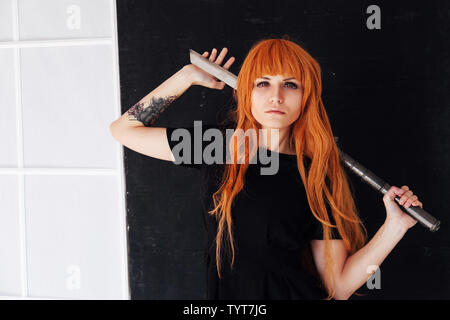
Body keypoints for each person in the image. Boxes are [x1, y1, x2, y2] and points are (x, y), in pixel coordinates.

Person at [110, 38, 423, 300]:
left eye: (290, 84)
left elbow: (338, 288)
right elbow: (125, 129)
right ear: (247, 92)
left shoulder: (316, 176)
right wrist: (186, 77)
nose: (276, 96)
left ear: (306, 98)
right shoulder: (220, 146)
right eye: (263, 83)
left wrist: (395, 227)